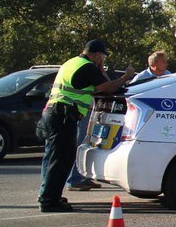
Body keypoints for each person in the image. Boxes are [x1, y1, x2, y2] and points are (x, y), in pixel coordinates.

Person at [38, 40, 135, 212]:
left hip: (53, 113)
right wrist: (126, 76)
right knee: (60, 159)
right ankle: (49, 201)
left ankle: (47, 195)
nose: (102, 59)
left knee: (52, 158)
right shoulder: (88, 67)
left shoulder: (72, 62)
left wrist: (101, 70)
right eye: (103, 56)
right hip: (63, 116)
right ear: (97, 54)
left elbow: (99, 88)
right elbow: (108, 88)